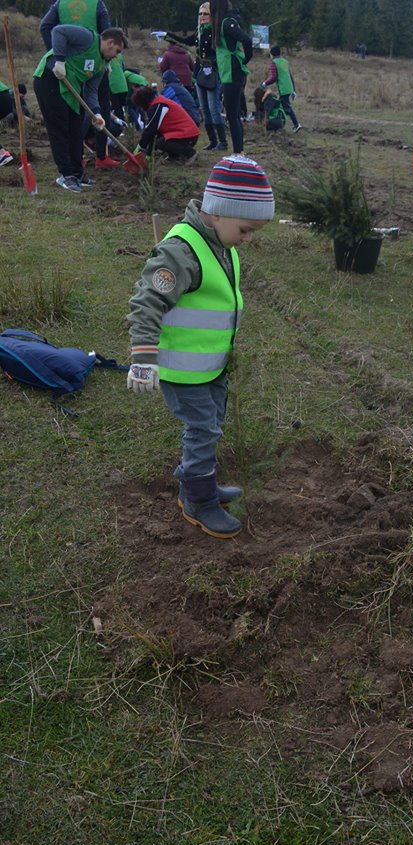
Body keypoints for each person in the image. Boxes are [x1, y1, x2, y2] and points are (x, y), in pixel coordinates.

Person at [126, 155, 275, 538]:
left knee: (210, 426)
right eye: (245, 229)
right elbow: (147, 302)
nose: (248, 239)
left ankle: (199, 483)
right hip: (182, 370)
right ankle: (198, 500)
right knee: (203, 430)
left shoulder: (221, 245)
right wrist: (143, 358)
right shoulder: (182, 251)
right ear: (218, 213)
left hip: (211, 367)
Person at [33, 24, 127, 192]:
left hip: (71, 89)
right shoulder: (88, 38)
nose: (115, 56)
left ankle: (77, 173)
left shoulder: (102, 66)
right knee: (60, 129)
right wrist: (60, 61)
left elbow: (91, 91)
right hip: (49, 79)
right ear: (110, 43)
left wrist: (97, 113)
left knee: (75, 130)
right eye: (117, 51)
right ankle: (66, 175)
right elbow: (58, 31)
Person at [160, 4, 227, 152]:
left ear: (212, 16)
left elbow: (222, 53)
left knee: (213, 108)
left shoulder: (216, 32)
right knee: (204, 108)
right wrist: (168, 35)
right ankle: (212, 140)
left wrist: (212, 63)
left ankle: (222, 141)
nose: (202, 17)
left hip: (212, 74)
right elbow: (187, 41)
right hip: (199, 74)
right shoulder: (199, 31)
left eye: (205, 14)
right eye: (200, 14)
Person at [212, 0, 252, 154]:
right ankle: (239, 152)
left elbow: (246, 40)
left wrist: (245, 60)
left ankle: (237, 153)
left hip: (233, 73)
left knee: (232, 115)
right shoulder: (222, 24)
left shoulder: (227, 23)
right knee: (234, 114)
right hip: (229, 73)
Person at [131, 84, 199, 162]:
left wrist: (140, 147)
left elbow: (151, 130)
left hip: (188, 135)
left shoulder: (158, 106)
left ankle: (191, 153)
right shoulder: (158, 103)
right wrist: (148, 155)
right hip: (183, 134)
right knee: (160, 140)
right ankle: (174, 157)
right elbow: (154, 133)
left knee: (161, 142)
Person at [261, 44, 301, 133]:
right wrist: (293, 90)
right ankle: (279, 123)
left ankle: (296, 124)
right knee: (282, 106)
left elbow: (274, 77)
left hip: (283, 89)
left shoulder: (274, 63)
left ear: (272, 54)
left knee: (286, 108)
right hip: (289, 87)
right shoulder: (284, 62)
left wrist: (265, 83)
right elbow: (290, 75)